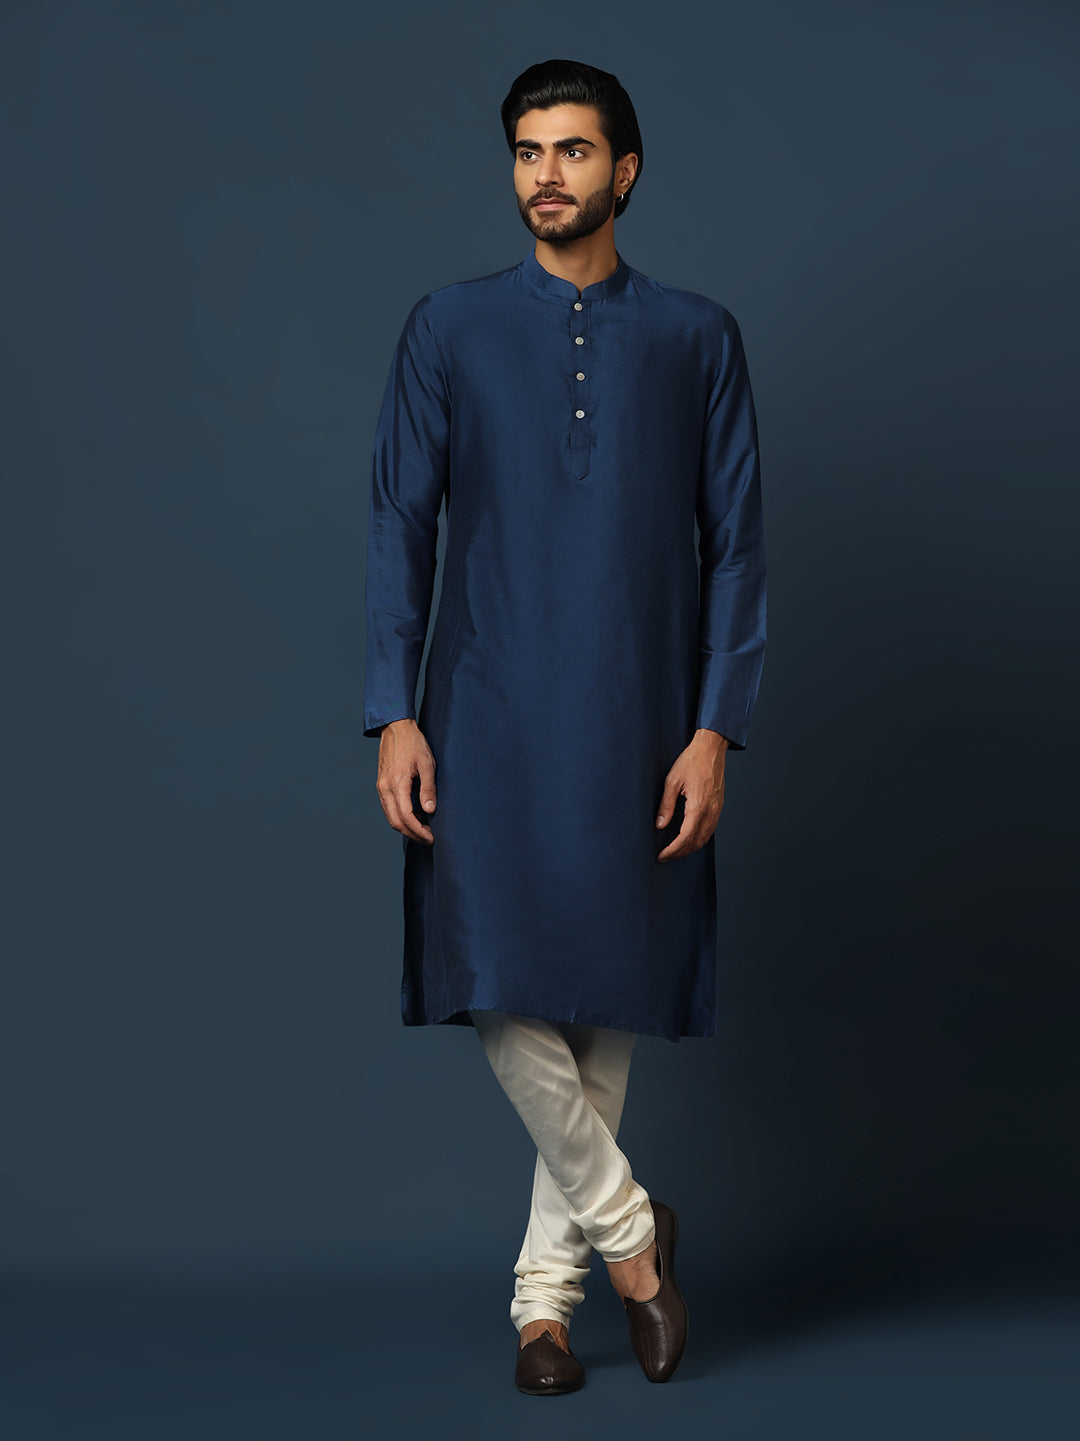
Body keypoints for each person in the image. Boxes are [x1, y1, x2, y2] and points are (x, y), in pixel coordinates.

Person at [363, 58, 767, 1394]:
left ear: (625, 171)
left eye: (574, 150)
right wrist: (392, 710)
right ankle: (636, 1244)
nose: (547, 173)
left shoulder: (698, 337)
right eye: (529, 150)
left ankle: (544, 1305)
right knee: (495, 977)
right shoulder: (450, 327)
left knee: (603, 986)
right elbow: (400, 523)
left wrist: (713, 728)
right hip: (481, 701)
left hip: (640, 704)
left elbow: (735, 548)